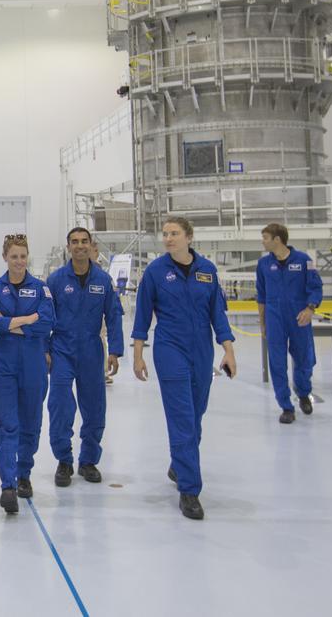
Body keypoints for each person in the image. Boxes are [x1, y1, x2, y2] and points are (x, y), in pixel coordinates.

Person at [132, 215, 236, 521]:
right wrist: (138, 356)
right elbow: (141, 317)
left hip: (201, 350)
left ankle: (180, 463)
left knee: (196, 412)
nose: (168, 238)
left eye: (174, 233)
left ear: (189, 237)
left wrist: (228, 350)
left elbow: (219, 315)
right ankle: (190, 490)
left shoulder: (207, 271)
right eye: (165, 234)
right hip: (169, 348)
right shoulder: (155, 272)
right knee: (181, 415)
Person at [0, 234, 55, 514]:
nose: (19, 261)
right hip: (3, 365)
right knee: (6, 425)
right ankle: (8, 485)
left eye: (23, 256)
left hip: (34, 364)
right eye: (14, 256)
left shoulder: (40, 289)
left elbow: (47, 322)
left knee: (31, 424)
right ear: (5, 258)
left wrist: (9, 323)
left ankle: (24, 473)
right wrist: (27, 319)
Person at [46, 227, 124, 487]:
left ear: (91, 246)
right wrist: (45, 349)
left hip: (92, 349)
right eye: (74, 242)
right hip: (62, 349)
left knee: (94, 407)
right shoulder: (56, 280)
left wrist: (115, 350)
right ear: (68, 246)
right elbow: (45, 317)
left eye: (84, 241)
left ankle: (88, 460)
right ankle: (64, 460)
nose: (80, 246)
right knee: (59, 404)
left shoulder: (103, 281)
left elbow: (113, 316)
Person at [256, 222, 324, 424]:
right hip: (275, 318)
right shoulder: (263, 265)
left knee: (304, 359)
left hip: (299, 318)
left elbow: (316, 287)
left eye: (265, 238)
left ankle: (303, 393)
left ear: (277, 239)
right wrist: (262, 322)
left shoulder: (304, 260)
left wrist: (310, 308)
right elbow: (261, 295)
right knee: (277, 363)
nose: (263, 242)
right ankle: (286, 406)